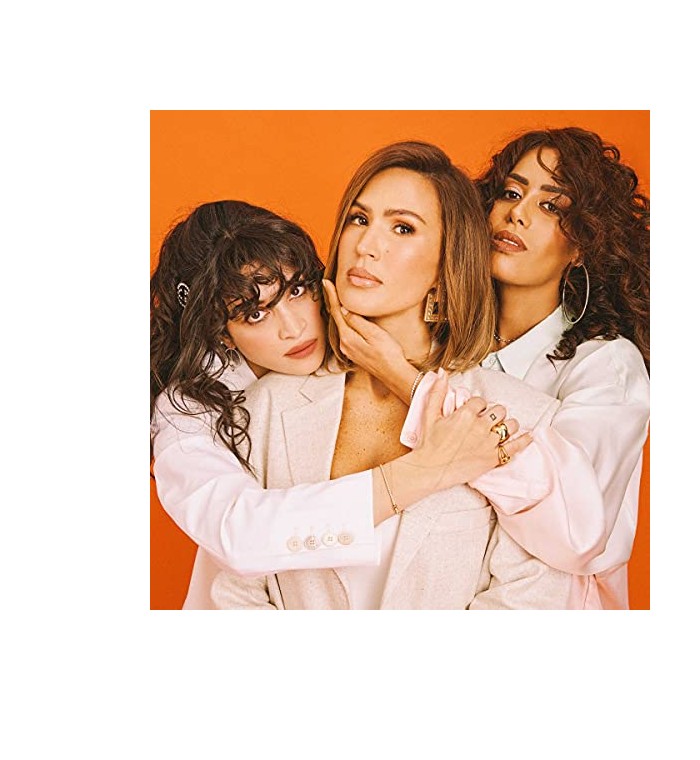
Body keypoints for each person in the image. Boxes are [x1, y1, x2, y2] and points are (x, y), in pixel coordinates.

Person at [211, 142, 577, 610]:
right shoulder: (266, 406)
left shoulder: (519, 415)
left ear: (446, 264)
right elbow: (233, 592)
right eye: (358, 219)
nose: (366, 245)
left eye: (402, 227)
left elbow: (530, 598)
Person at [303, 128, 650, 609]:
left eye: (551, 206)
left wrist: (403, 378)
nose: (517, 213)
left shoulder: (604, 366)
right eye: (510, 193)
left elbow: (575, 534)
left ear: (582, 245)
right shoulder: (450, 347)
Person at [151, 200, 531, 609]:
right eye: (255, 314)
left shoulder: (358, 352)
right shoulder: (185, 415)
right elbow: (242, 535)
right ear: (220, 334)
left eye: (296, 291)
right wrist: (427, 469)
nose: (294, 328)